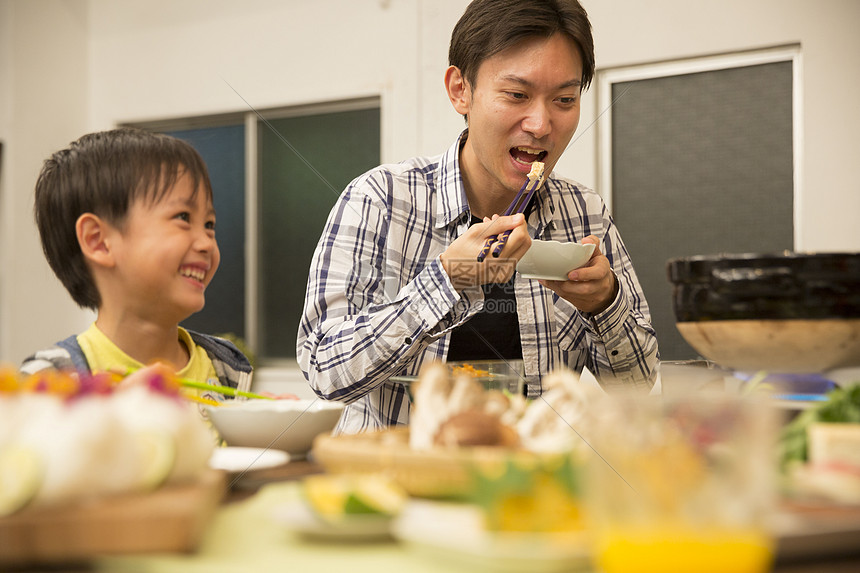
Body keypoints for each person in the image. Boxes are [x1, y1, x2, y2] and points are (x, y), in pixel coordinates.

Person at [297, 0, 658, 434]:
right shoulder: (381, 199)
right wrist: (449, 280)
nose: (541, 124)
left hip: (526, 490)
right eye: (517, 95)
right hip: (395, 484)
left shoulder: (585, 214)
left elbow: (638, 385)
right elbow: (324, 370)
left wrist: (604, 304)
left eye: (564, 99)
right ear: (459, 90)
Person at [20, 128, 253, 401]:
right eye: (183, 217)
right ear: (99, 241)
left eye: (209, 224)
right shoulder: (51, 380)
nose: (205, 243)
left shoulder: (226, 366)